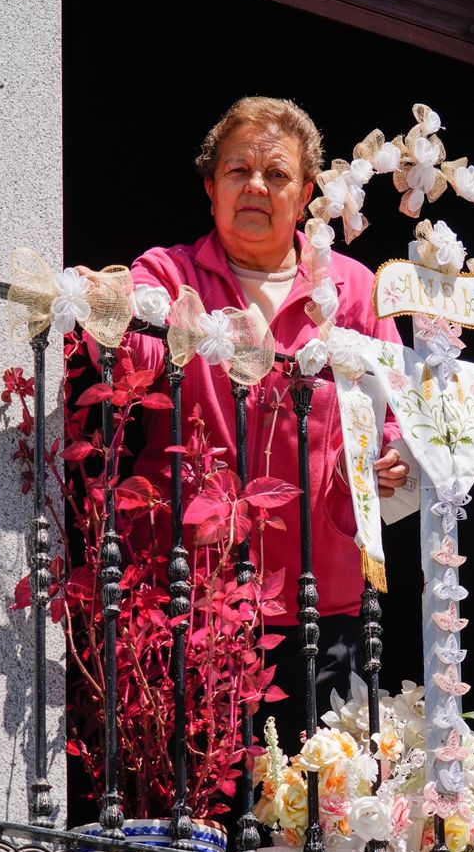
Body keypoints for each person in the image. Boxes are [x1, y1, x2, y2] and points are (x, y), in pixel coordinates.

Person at [110, 97, 409, 768]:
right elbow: (135, 355)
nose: (256, 186)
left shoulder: (355, 289)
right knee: (206, 809)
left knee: (322, 808)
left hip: (323, 599)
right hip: (194, 591)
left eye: (276, 175)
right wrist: (111, 312)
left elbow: (392, 412)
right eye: (238, 169)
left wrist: (392, 458)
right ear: (210, 186)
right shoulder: (168, 273)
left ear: (306, 195)